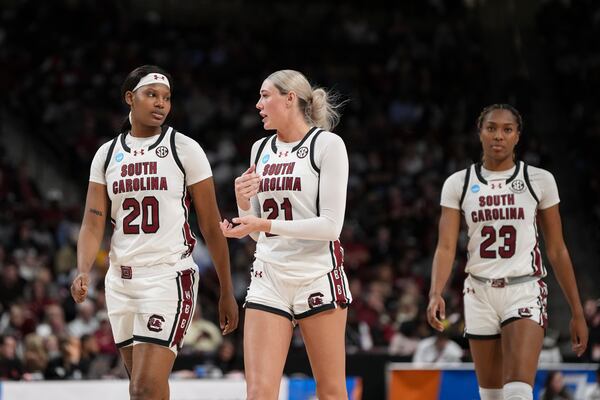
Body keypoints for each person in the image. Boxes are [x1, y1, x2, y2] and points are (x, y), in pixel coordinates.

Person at [71, 65, 238, 400]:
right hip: (120, 282)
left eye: (166, 98)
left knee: (144, 386)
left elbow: (210, 223)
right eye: (151, 95)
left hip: (167, 278)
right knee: (144, 390)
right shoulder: (106, 155)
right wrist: (83, 269)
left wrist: (226, 289)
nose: (161, 103)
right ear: (130, 98)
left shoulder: (184, 148)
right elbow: (93, 221)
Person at [427, 104, 588, 400]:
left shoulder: (538, 180)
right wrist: (435, 291)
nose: (498, 136)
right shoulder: (458, 183)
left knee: (517, 392)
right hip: (478, 292)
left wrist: (577, 311)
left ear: (517, 136)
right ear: (480, 133)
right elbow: (446, 246)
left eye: (507, 129)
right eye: (491, 128)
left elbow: (557, 248)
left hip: (523, 289)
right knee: (491, 396)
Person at [220, 69, 351, 400]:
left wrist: (263, 225)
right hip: (270, 273)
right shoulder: (260, 148)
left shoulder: (327, 145)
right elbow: (257, 231)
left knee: (332, 391)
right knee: (259, 392)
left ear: (290, 98)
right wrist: (243, 208)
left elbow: (330, 227)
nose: (258, 104)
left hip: (316, 273)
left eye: (265, 95)